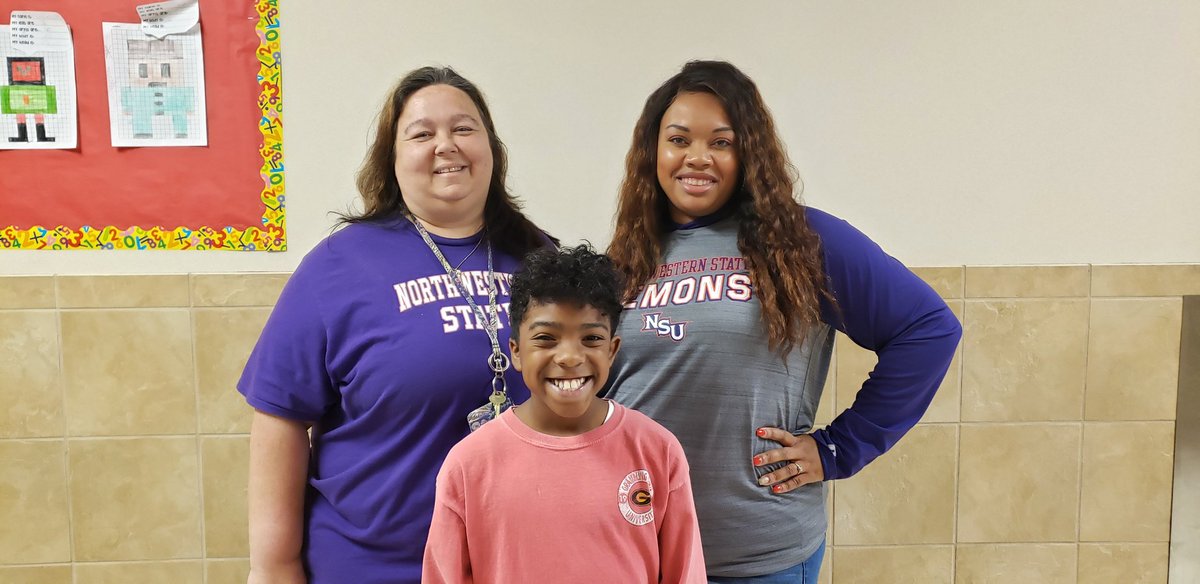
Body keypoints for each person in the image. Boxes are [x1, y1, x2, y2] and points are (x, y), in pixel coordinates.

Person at [603, 60, 963, 582]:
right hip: (635, 548)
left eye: (721, 143)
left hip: (755, 554)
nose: (697, 158)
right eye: (678, 140)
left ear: (748, 150)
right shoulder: (629, 256)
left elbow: (928, 329)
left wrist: (838, 447)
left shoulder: (801, 241)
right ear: (653, 152)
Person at [238, 66, 553, 584]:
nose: (445, 145)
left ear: (491, 148)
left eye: (464, 128)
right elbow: (280, 419)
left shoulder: (540, 257)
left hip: (517, 563)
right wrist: (274, 568)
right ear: (393, 156)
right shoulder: (338, 265)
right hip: (375, 566)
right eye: (422, 133)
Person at [422, 245, 707, 584]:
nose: (570, 357)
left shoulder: (657, 451)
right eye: (546, 338)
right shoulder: (468, 465)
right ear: (515, 352)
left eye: (591, 338)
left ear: (612, 350)